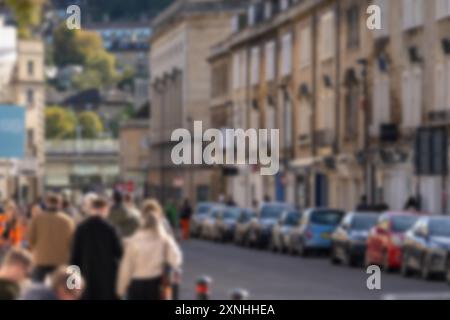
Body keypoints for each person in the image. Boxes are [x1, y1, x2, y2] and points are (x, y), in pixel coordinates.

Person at [117, 200, 182, 300]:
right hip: (156, 285)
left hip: (136, 284)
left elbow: (126, 267)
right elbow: (176, 259)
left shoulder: (134, 241)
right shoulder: (164, 240)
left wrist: (120, 290)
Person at [70, 196, 123, 300]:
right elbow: (120, 253)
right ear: (105, 209)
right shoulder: (110, 228)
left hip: (86, 278)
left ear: (91, 209)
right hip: (107, 280)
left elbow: (74, 257)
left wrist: (72, 285)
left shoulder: (81, 228)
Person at [28, 193, 75, 283]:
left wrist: (37, 249)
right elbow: (72, 242)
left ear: (46, 203)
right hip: (61, 259)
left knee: (37, 285)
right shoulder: (67, 220)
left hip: (41, 258)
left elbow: (31, 238)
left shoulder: (37, 219)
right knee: (62, 288)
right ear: (60, 204)